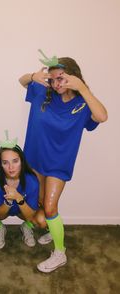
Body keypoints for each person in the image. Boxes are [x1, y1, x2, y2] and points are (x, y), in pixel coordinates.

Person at [19, 52, 108, 273]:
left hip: (59, 162)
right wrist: (33, 76)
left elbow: (102, 116)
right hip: (35, 157)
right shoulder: (42, 91)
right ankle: (48, 227)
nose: (56, 83)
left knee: (50, 207)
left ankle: (60, 253)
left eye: (61, 78)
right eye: (53, 78)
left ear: (74, 77)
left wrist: (83, 89)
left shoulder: (82, 103)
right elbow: (21, 81)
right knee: (39, 202)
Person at [0, 131, 46, 249]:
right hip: (3, 209)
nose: (11, 167)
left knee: (42, 220)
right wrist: (8, 201)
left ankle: (27, 227)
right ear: (1, 164)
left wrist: (18, 197)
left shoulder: (31, 181)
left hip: (23, 211)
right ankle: (0, 228)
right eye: (5, 163)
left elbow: (30, 215)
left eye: (15, 161)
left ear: (22, 161)